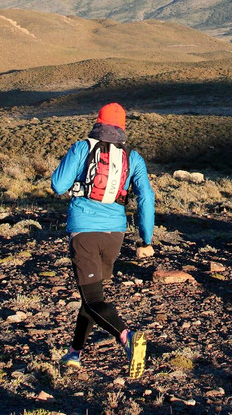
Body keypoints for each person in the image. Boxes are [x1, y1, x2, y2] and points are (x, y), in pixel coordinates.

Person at [50, 102, 155, 377]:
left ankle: (127, 337)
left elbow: (58, 185)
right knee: (92, 295)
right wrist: (146, 239)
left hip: (84, 230)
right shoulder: (134, 158)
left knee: (93, 298)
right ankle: (74, 353)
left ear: (98, 122)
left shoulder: (83, 147)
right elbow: (146, 198)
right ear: (122, 128)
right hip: (115, 236)